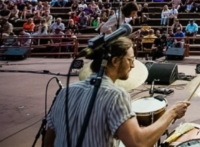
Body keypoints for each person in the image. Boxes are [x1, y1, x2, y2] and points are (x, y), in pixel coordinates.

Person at [45, 37, 189, 147]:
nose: (133, 65)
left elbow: (48, 141)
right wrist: (172, 113)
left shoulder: (65, 92)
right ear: (114, 61)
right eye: (130, 59)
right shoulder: (116, 95)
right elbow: (138, 143)